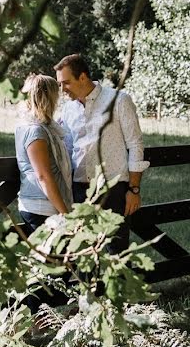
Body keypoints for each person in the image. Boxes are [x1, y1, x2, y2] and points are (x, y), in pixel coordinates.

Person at [54, 54, 149, 253]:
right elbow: (68, 150)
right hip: (80, 192)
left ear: (83, 77)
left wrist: (134, 190)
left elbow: (135, 144)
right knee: (85, 255)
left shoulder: (119, 100)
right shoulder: (68, 109)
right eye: (59, 84)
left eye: (66, 83)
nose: (62, 90)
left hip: (114, 191)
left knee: (116, 254)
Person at [15, 74, 73, 236]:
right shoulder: (35, 130)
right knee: (54, 260)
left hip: (43, 205)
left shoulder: (33, 125)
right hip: (41, 207)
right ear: (49, 98)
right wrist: (65, 214)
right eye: (56, 95)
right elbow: (43, 176)